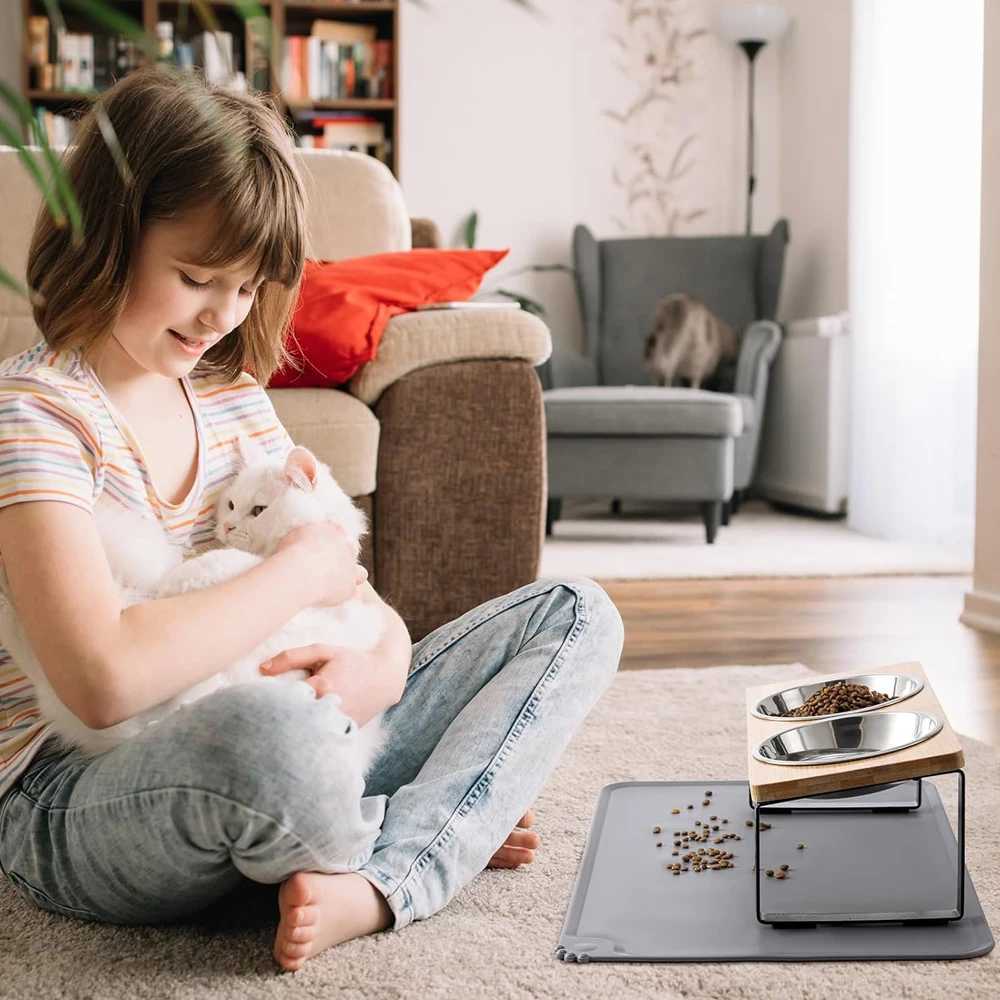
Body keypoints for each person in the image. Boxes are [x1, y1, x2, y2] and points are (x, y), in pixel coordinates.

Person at [0, 66, 625, 973]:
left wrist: (376, 668)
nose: (223, 314)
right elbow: (101, 681)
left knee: (574, 612)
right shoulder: (35, 413)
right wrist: (298, 571)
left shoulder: (233, 399)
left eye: (250, 288)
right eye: (196, 276)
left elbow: (369, 611)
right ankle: (433, 820)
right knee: (276, 742)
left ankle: (379, 870)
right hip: (86, 791)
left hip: (322, 728)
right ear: (106, 236)